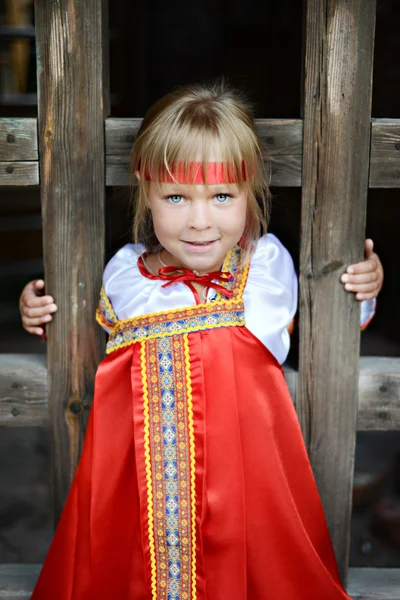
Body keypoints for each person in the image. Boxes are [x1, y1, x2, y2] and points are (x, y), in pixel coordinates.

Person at [28, 81, 384, 600]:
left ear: (249, 191)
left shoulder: (264, 267)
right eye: (176, 197)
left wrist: (365, 285)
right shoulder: (126, 275)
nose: (199, 221)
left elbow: (334, 321)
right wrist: (34, 310)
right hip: (140, 497)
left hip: (243, 491)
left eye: (221, 196)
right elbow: (80, 337)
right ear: (145, 190)